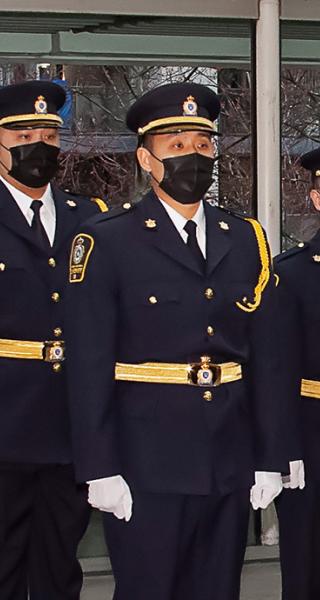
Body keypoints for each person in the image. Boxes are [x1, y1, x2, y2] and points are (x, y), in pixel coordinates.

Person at [66, 82, 298, 600]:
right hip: (147, 460)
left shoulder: (246, 239)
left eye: (203, 145)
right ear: (147, 160)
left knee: (218, 589)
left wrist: (270, 453)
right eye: (177, 147)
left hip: (228, 455)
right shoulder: (109, 240)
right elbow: (88, 364)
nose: (193, 157)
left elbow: (268, 358)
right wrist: (99, 467)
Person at [0, 79, 107, 600]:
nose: (38, 145)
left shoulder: (90, 218)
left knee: (59, 564)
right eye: (22, 133)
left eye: (48, 133)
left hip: (70, 427)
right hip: (4, 424)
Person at [275, 147, 320, 600]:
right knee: (308, 563)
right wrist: (282, 449)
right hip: (313, 434)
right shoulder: (292, 275)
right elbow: (276, 371)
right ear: (316, 199)